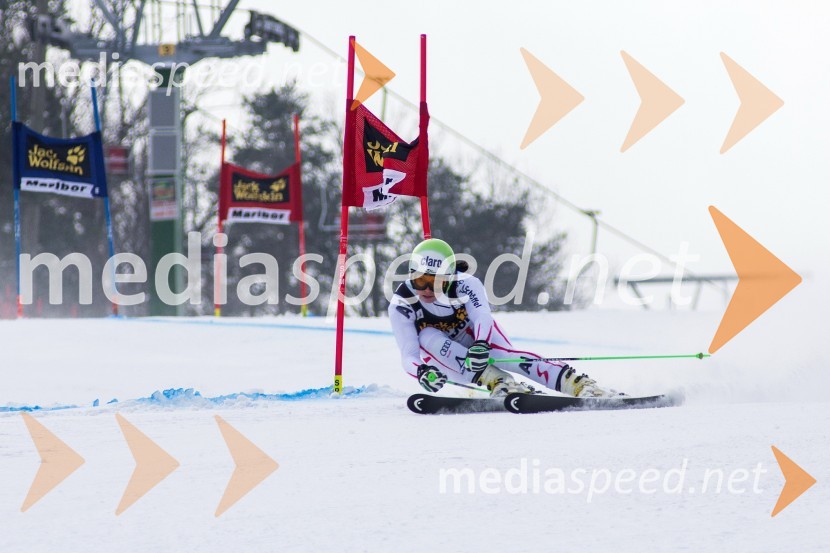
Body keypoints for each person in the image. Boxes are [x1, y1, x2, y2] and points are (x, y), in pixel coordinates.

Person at [388, 238, 619, 398]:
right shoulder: (401, 303)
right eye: (420, 281)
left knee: (504, 358)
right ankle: (500, 382)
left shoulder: (466, 284)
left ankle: (578, 384)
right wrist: (422, 372)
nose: (427, 289)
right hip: (448, 362)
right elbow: (408, 355)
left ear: (450, 277)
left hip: (478, 340)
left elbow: (482, 317)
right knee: (427, 335)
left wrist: (480, 344)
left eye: (436, 282)